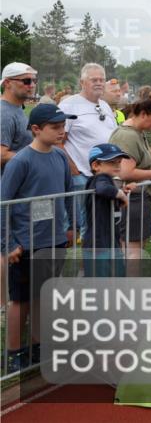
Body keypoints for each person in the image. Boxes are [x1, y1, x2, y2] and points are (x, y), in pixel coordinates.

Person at [1, 104, 75, 372]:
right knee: (21, 300)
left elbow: (68, 196)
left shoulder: (59, 157)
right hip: (25, 243)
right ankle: (12, 353)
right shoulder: (20, 161)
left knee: (43, 296)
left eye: (63, 127)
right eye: (55, 127)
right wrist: (8, 245)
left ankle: (38, 348)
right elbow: (4, 203)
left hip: (53, 240)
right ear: (36, 129)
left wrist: (70, 228)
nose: (61, 132)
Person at [57, 63, 118, 239]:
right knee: (87, 225)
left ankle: (101, 262)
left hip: (104, 176)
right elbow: (59, 141)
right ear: (83, 82)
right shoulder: (69, 105)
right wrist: (73, 170)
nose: (99, 83)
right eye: (94, 80)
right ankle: (86, 266)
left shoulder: (105, 106)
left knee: (103, 221)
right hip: (82, 175)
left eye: (102, 79)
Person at [109, 95, 151, 273]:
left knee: (135, 247)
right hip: (132, 198)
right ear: (143, 114)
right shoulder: (127, 136)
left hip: (136, 197)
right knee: (132, 249)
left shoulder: (135, 133)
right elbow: (126, 172)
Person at [82, 144, 133, 277]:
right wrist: (120, 194)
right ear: (96, 166)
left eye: (119, 162)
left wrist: (120, 194)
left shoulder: (107, 180)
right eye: (111, 162)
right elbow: (102, 189)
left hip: (109, 240)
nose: (117, 165)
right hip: (99, 243)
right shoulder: (101, 178)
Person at [1, 63, 37, 169]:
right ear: (7, 83)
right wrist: (36, 157)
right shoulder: (4, 113)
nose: (32, 85)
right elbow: (1, 155)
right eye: (26, 81)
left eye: (34, 80)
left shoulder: (16, 107)